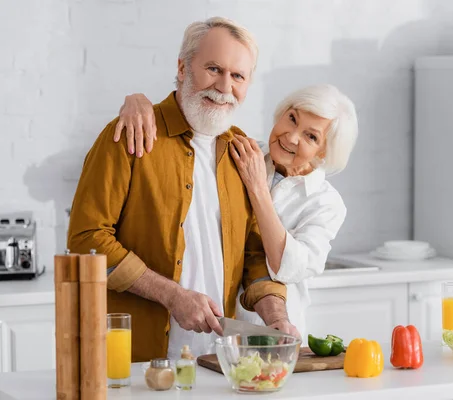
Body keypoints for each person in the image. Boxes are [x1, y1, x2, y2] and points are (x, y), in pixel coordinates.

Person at [67, 17, 299, 362]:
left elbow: (254, 254)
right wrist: (171, 295)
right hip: (136, 358)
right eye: (213, 68)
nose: (224, 86)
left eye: (238, 76)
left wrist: (277, 315)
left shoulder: (243, 152)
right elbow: (86, 239)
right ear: (182, 67)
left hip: (217, 361)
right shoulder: (130, 135)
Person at [113, 84, 358, 338]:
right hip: (222, 321)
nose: (291, 137)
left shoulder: (326, 203)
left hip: (279, 326)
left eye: (311, 137)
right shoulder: (242, 150)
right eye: (292, 118)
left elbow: (287, 268)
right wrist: (137, 101)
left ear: (324, 151)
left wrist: (257, 189)